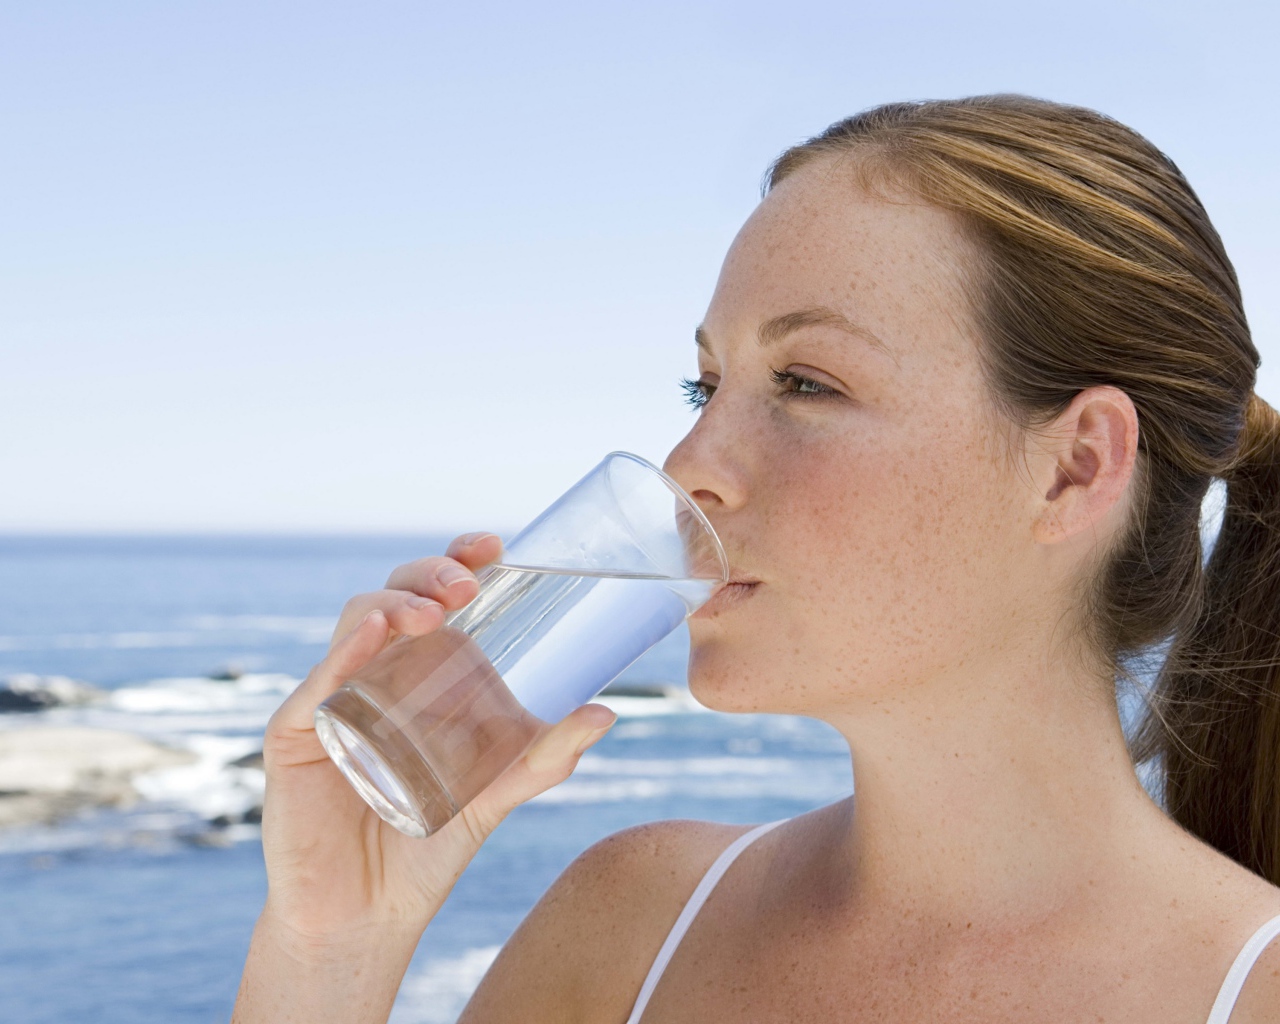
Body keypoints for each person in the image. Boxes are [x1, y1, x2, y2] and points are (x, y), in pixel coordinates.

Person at [232, 95, 1280, 1023]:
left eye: (806, 385)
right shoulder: (628, 928)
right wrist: (330, 946)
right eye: (705, 387)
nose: (689, 465)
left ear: (1073, 468)